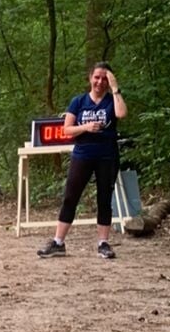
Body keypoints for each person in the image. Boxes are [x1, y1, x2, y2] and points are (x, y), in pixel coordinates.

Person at [38, 62, 127, 260]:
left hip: (107, 155)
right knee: (71, 197)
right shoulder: (78, 102)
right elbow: (66, 129)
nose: (99, 82)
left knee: (104, 199)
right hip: (82, 155)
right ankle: (58, 242)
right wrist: (85, 127)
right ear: (90, 78)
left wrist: (115, 89)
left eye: (104, 78)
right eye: (97, 77)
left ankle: (103, 243)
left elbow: (121, 114)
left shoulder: (113, 100)